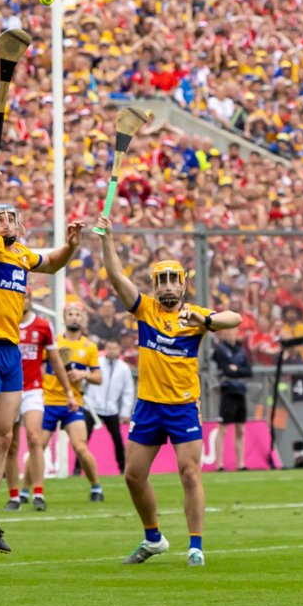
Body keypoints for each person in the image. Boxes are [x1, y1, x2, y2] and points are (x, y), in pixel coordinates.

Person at [0, 161, 83, 555]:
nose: (5, 222)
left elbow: (55, 262)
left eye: (11, 218)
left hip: (10, 352)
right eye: (0, 217)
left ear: (21, 227)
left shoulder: (24, 256)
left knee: (4, 438)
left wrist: (72, 245)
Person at [96, 220, 242, 567]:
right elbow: (116, 277)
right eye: (160, 281)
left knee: (190, 473)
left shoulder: (195, 315)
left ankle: (195, 546)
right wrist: (109, 240)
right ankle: (153, 537)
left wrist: (204, 322)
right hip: (149, 405)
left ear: (183, 283)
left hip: (183, 406)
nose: (166, 287)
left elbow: (234, 319)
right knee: (133, 475)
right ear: (154, 285)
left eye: (172, 279)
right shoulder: (145, 309)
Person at [4, 292, 58, 511]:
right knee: (10, 442)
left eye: (27, 296)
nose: (23, 300)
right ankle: (14, 495)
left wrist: (69, 391)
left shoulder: (44, 326)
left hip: (33, 388)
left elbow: (54, 360)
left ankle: (38, 492)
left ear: (31, 300)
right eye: (20, 296)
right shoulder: (4, 324)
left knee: (35, 437)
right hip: (9, 388)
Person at [47, 301, 104, 500]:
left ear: (84, 319)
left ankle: (96, 487)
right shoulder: (53, 342)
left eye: (78, 314)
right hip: (49, 400)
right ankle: (27, 492)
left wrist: (83, 374)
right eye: (70, 314)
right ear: (64, 317)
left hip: (74, 403)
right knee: (38, 446)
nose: (74, 317)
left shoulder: (89, 347)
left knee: (80, 447)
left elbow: (98, 378)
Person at [85, 340, 135, 475]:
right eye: (109, 347)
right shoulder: (97, 363)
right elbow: (86, 380)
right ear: (105, 349)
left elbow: (128, 391)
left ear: (119, 350)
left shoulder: (124, 368)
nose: (111, 350)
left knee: (117, 439)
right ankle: (77, 469)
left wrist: (125, 412)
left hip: (111, 409)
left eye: (114, 348)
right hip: (92, 407)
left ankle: (123, 468)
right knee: (83, 439)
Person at [212, 326, 253, 472]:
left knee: (240, 429)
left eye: (232, 330)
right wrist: (235, 370)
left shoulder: (241, 350)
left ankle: (241, 463)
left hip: (240, 391)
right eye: (227, 330)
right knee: (222, 428)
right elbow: (226, 370)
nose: (230, 333)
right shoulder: (220, 350)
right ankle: (219, 464)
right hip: (227, 390)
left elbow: (248, 371)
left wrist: (237, 370)